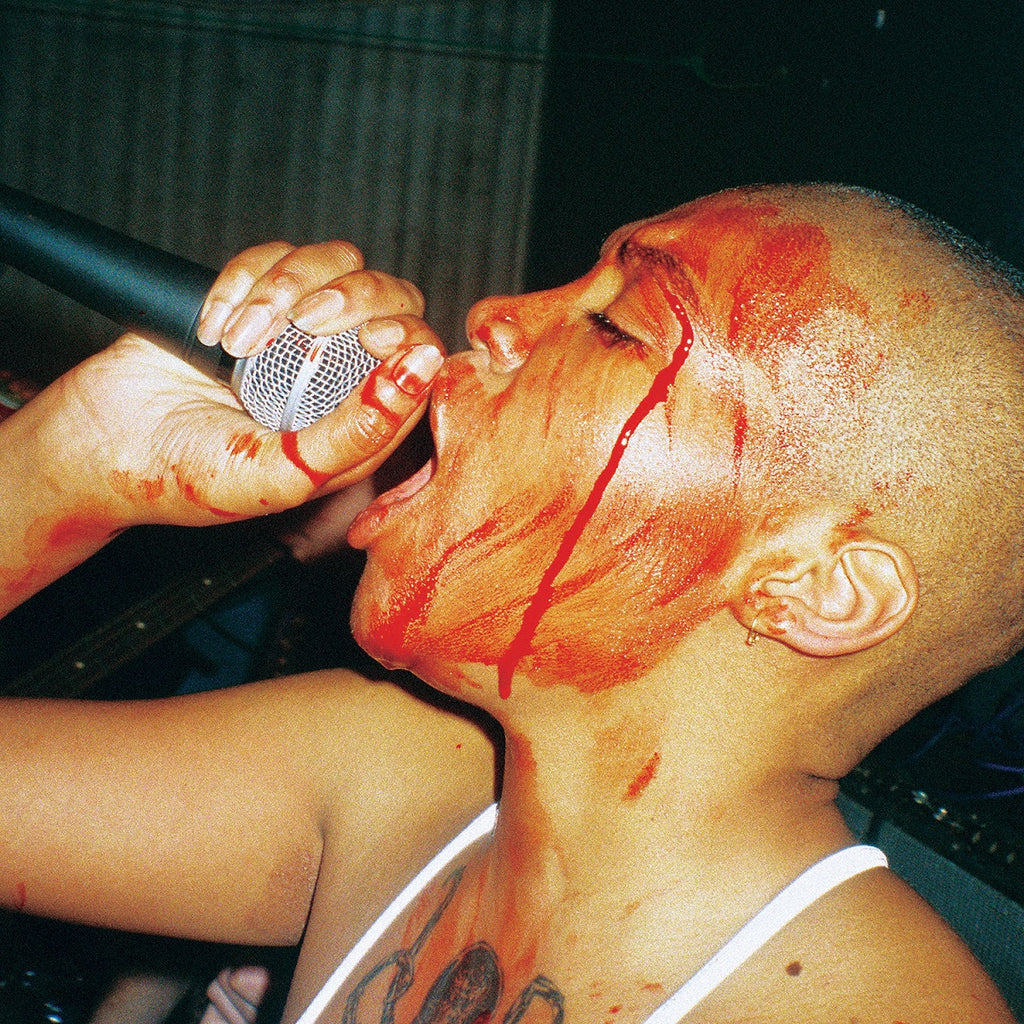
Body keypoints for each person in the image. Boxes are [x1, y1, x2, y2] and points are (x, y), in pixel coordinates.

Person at [0, 183, 1020, 1024]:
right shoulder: (392, 773)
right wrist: (68, 459)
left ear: (814, 588)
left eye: (616, 325)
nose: (494, 313)